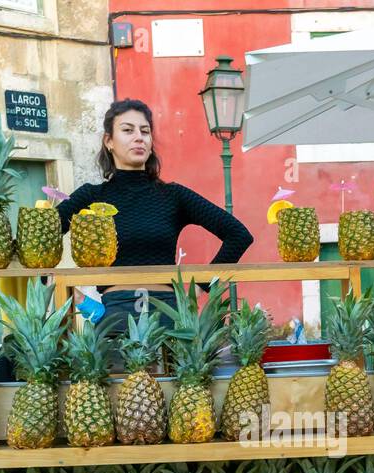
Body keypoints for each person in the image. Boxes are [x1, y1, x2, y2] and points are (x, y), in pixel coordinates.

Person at [56, 99, 253, 335]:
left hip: (169, 317)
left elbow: (239, 235)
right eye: (128, 130)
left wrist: (201, 286)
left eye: (145, 131)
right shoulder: (92, 195)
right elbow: (40, 241)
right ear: (109, 141)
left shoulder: (173, 195)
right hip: (115, 318)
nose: (139, 137)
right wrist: (73, 296)